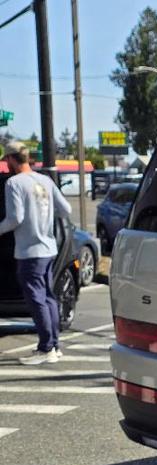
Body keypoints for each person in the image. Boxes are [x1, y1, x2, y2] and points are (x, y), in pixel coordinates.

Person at [0, 141, 72, 365]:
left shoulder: (14, 183)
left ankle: (46, 347)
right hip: (49, 248)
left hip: (29, 251)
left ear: (11, 159)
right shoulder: (45, 180)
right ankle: (54, 345)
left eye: (6, 160)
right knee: (49, 297)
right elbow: (66, 210)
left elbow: (15, 218)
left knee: (36, 299)